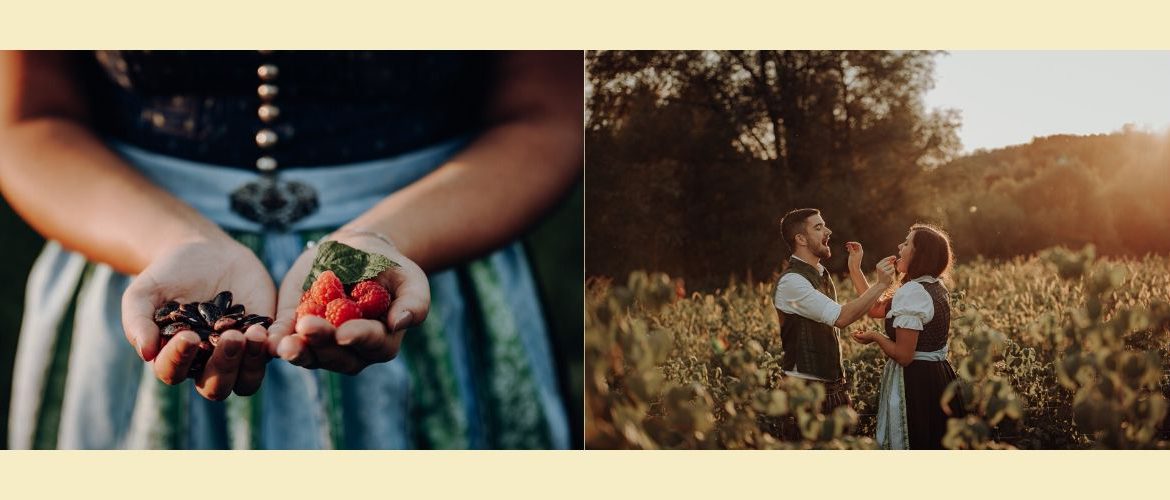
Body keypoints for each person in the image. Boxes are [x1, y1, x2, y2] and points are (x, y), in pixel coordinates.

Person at [0, 51, 579, 449]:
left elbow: (548, 115)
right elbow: (27, 123)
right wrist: (174, 240)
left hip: (435, 245)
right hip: (139, 252)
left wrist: (382, 242)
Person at [849, 224, 967, 449]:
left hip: (916, 384)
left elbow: (904, 356)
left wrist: (875, 336)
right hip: (937, 378)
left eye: (906, 243)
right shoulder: (933, 285)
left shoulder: (913, 292)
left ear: (919, 254)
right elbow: (875, 308)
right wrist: (855, 267)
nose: (899, 247)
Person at [773, 208, 895, 416]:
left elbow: (869, 309)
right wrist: (881, 285)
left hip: (834, 388)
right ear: (801, 239)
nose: (828, 231)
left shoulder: (820, 274)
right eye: (819, 227)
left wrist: (854, 269)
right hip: (805, 392)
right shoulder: (792, 282)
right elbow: (842, 317)